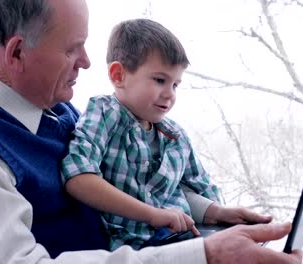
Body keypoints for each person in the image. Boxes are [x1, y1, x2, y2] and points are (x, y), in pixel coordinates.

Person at [0, 0, 302, 263]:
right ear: (17, 52)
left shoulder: (57, 111)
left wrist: (213, 217)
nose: (87, 62)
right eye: (73, 48)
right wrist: (205, 256)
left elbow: (136, 186)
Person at [61, 18, 257, 250]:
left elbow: (188, 190)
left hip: (183, 241)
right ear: (118, 75)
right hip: (135, 250)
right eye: (160, 80)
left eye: (175, 85)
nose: (169, 94)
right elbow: (77, 177)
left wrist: (218, 212)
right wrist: (151, 214)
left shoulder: (175, 137)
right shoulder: (104, 114)